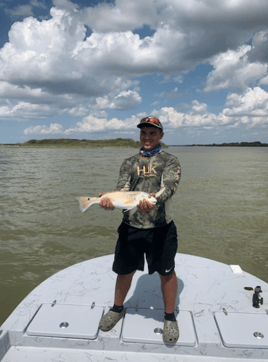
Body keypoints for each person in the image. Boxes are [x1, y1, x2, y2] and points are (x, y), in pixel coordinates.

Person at [98, 116, 181, 343]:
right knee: (124, 271)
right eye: (144, 132)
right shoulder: (128, 162)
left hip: (161, 227)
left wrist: (152, 201)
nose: (147, 136)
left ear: (161, 135)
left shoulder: (170, 161)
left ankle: (169, 316)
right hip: (130, 227)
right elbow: (122, 189)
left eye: (152, 133)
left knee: (166, 273)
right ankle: (117, 308)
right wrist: (110, 201)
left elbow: (169, 188)